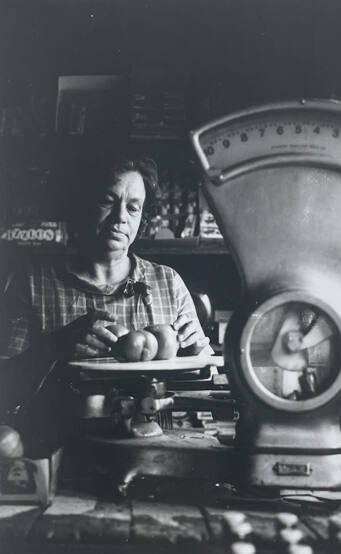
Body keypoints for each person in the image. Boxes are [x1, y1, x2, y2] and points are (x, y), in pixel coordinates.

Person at [0, 152, 210, 416]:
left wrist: (197, 352)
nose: (121, 217)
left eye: (133, 207)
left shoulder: (168, 283)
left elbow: (204, 380)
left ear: (143, 217)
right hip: (65, 442)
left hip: (153, 433)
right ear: (81, 205)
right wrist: (55, 346)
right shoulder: (33, 283)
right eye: (107, 201)